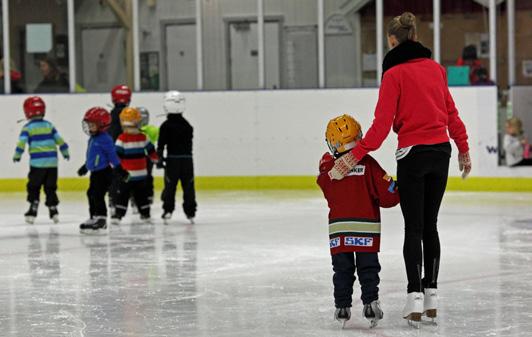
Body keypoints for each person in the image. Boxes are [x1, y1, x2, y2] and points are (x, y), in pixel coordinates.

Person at [327, 12, 471, 327]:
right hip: (441, 153)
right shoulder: (437, 70)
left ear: (392, 40)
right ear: (415, 36)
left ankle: (414, 297)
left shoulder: (393, 75)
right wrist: (464, 148)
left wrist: (353, 157)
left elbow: (379, 129)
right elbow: (451, 114)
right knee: (431, 226)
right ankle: (431, 296)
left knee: (414, 229)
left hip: (413, 156)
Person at [317, 114, 400, 329]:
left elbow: (324, 185)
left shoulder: (329, 170)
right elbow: (389, 197)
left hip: (340, 233)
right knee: (368, 269)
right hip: (366, 231)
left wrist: (325, 168)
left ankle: (342, 307)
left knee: (342, 270)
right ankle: (371, 303)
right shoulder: (369, 164)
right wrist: (396, 186)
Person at [13, 96, 70, 224]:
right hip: (52, 164)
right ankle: (53, 209)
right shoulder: (49, 125)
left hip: (37, 165)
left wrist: (17, 155)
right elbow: (59, 140)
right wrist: (65, 151)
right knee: (50, 187)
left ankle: (33, 208)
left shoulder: (27, 128)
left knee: (34, 186)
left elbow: (21, 143)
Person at [78, 107, 128, 233]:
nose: (89, 127)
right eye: (88, 124)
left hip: (103, 174)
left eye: (92, 125)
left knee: (97, 195)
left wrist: (120, 170)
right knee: (91, 194)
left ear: (102, 125)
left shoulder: (105, 139)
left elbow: (112, 156)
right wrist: (85, 167)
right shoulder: (93, 138)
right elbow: (92, 156)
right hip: (95, 173)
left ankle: (101, 219)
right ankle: (94, 217)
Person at [111, 107, 158, 225]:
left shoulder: (143, 137)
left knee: (142, 196)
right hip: (126, 175)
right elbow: (117, 155)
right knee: (122, 195)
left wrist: (155, 157)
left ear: (138, 125)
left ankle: (145, 214)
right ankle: (118, 215)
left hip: (141, 175)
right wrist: (116, 168)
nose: (129, 130)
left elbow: (151, 150)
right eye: (127, 127)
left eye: (132, 127)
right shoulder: (122, 139)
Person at [157, 91, 197, 224]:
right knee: (189, 186)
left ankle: (168, 210)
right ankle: (190, 212)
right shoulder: (188, 126)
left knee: (170, 186)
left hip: (173, 160)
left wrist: (159, 159)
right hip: (187, 160)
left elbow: (161, 145)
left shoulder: (165, 126)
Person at [139, 107, 159, 205]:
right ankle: (146, 196)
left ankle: (147, 195)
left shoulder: (151, 129)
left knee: (145, 177)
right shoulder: (152, 129)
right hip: (140, 157)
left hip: (146, 157)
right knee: (146, 177)